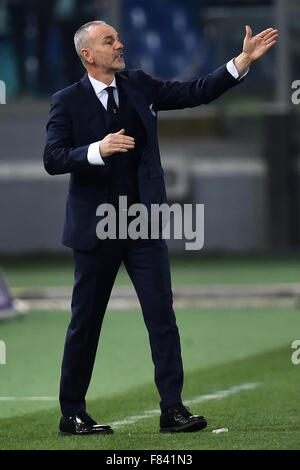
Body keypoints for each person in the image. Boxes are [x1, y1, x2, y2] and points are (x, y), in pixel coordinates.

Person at [43, 20, 278, 436]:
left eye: (118, 38)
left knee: (162, 318)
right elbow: (54, 158)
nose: (120, 44)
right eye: (109, 41)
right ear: (88, 55)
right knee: (86, 322)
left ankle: (173, 409)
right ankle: (72, 414)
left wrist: (241, 62)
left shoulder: (139, 84)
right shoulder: (67, 101)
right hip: (96, 228)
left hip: (142, 224)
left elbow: (194, 92)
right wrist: (97, 150)